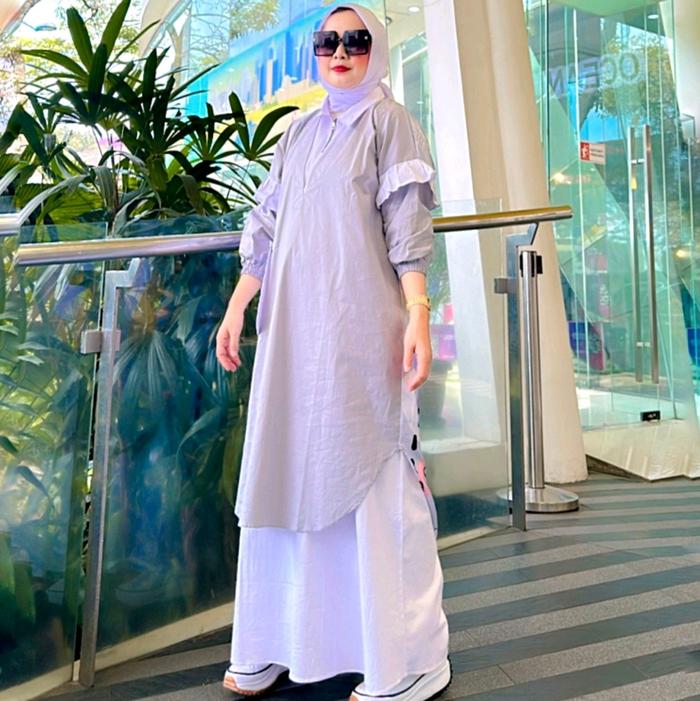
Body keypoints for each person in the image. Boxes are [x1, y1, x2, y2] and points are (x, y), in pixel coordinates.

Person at [215, 4, 451, 700]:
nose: (340, 52)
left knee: (373, 483)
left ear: (377, 48)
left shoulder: (390, 123)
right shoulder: (299, 132)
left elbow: (407, 226)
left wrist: (418, 312)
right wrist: (238, 303)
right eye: (327, 41)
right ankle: (274, 641)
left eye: (355, 40)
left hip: (363, 333)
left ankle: (406, 659)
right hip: (293, 336)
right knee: (284, 470)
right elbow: (267, 224)